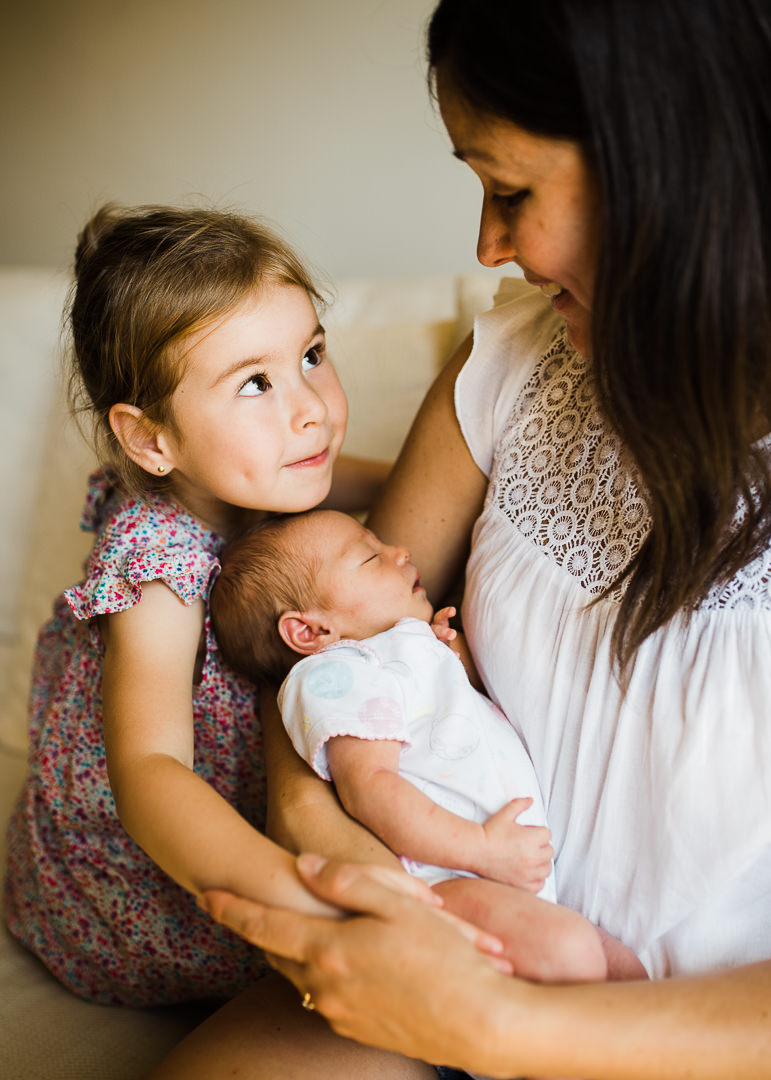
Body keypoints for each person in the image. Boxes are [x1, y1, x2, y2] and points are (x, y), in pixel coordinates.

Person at [149, 1, 771, 1077]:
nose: (488, 245)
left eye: (512, 190)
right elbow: (322, 687)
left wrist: (499, 1025)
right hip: (459, 942)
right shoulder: (513, 367)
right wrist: (365, 883)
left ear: (674, 164)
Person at [2, 203, 462, 1079]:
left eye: (313, 357)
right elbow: (149, 774)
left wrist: (446, 459)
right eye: (255, 383)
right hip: (127, 895)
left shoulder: (260, 476)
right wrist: (295, 892)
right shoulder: (157, 564)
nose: (311, 413)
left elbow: (378, 476)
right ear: (152, 438)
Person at [210, 508, 647, 984]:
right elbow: (370, 788)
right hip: (445, 881)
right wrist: (479, 849)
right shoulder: (336, 674)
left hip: (507, 878)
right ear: (310, 632)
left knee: (626, 971)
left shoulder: (398, 650)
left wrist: (443, 656)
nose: (400, 552)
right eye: (371, 557)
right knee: (570, 952)